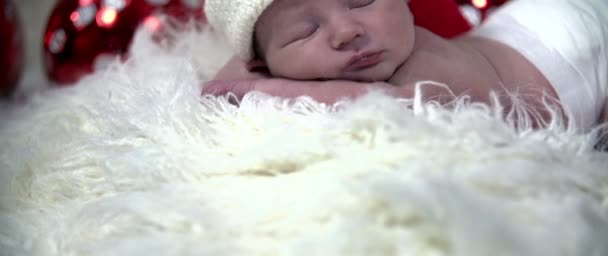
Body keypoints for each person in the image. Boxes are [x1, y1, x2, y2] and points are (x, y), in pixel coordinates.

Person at [202, 0, 608, 132]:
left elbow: (369, 102)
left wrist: (267, 90)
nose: (346, 30)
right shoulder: (263, 58)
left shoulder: (415, 73)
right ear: (261, 62)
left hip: (576, 41)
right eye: (303, 32)